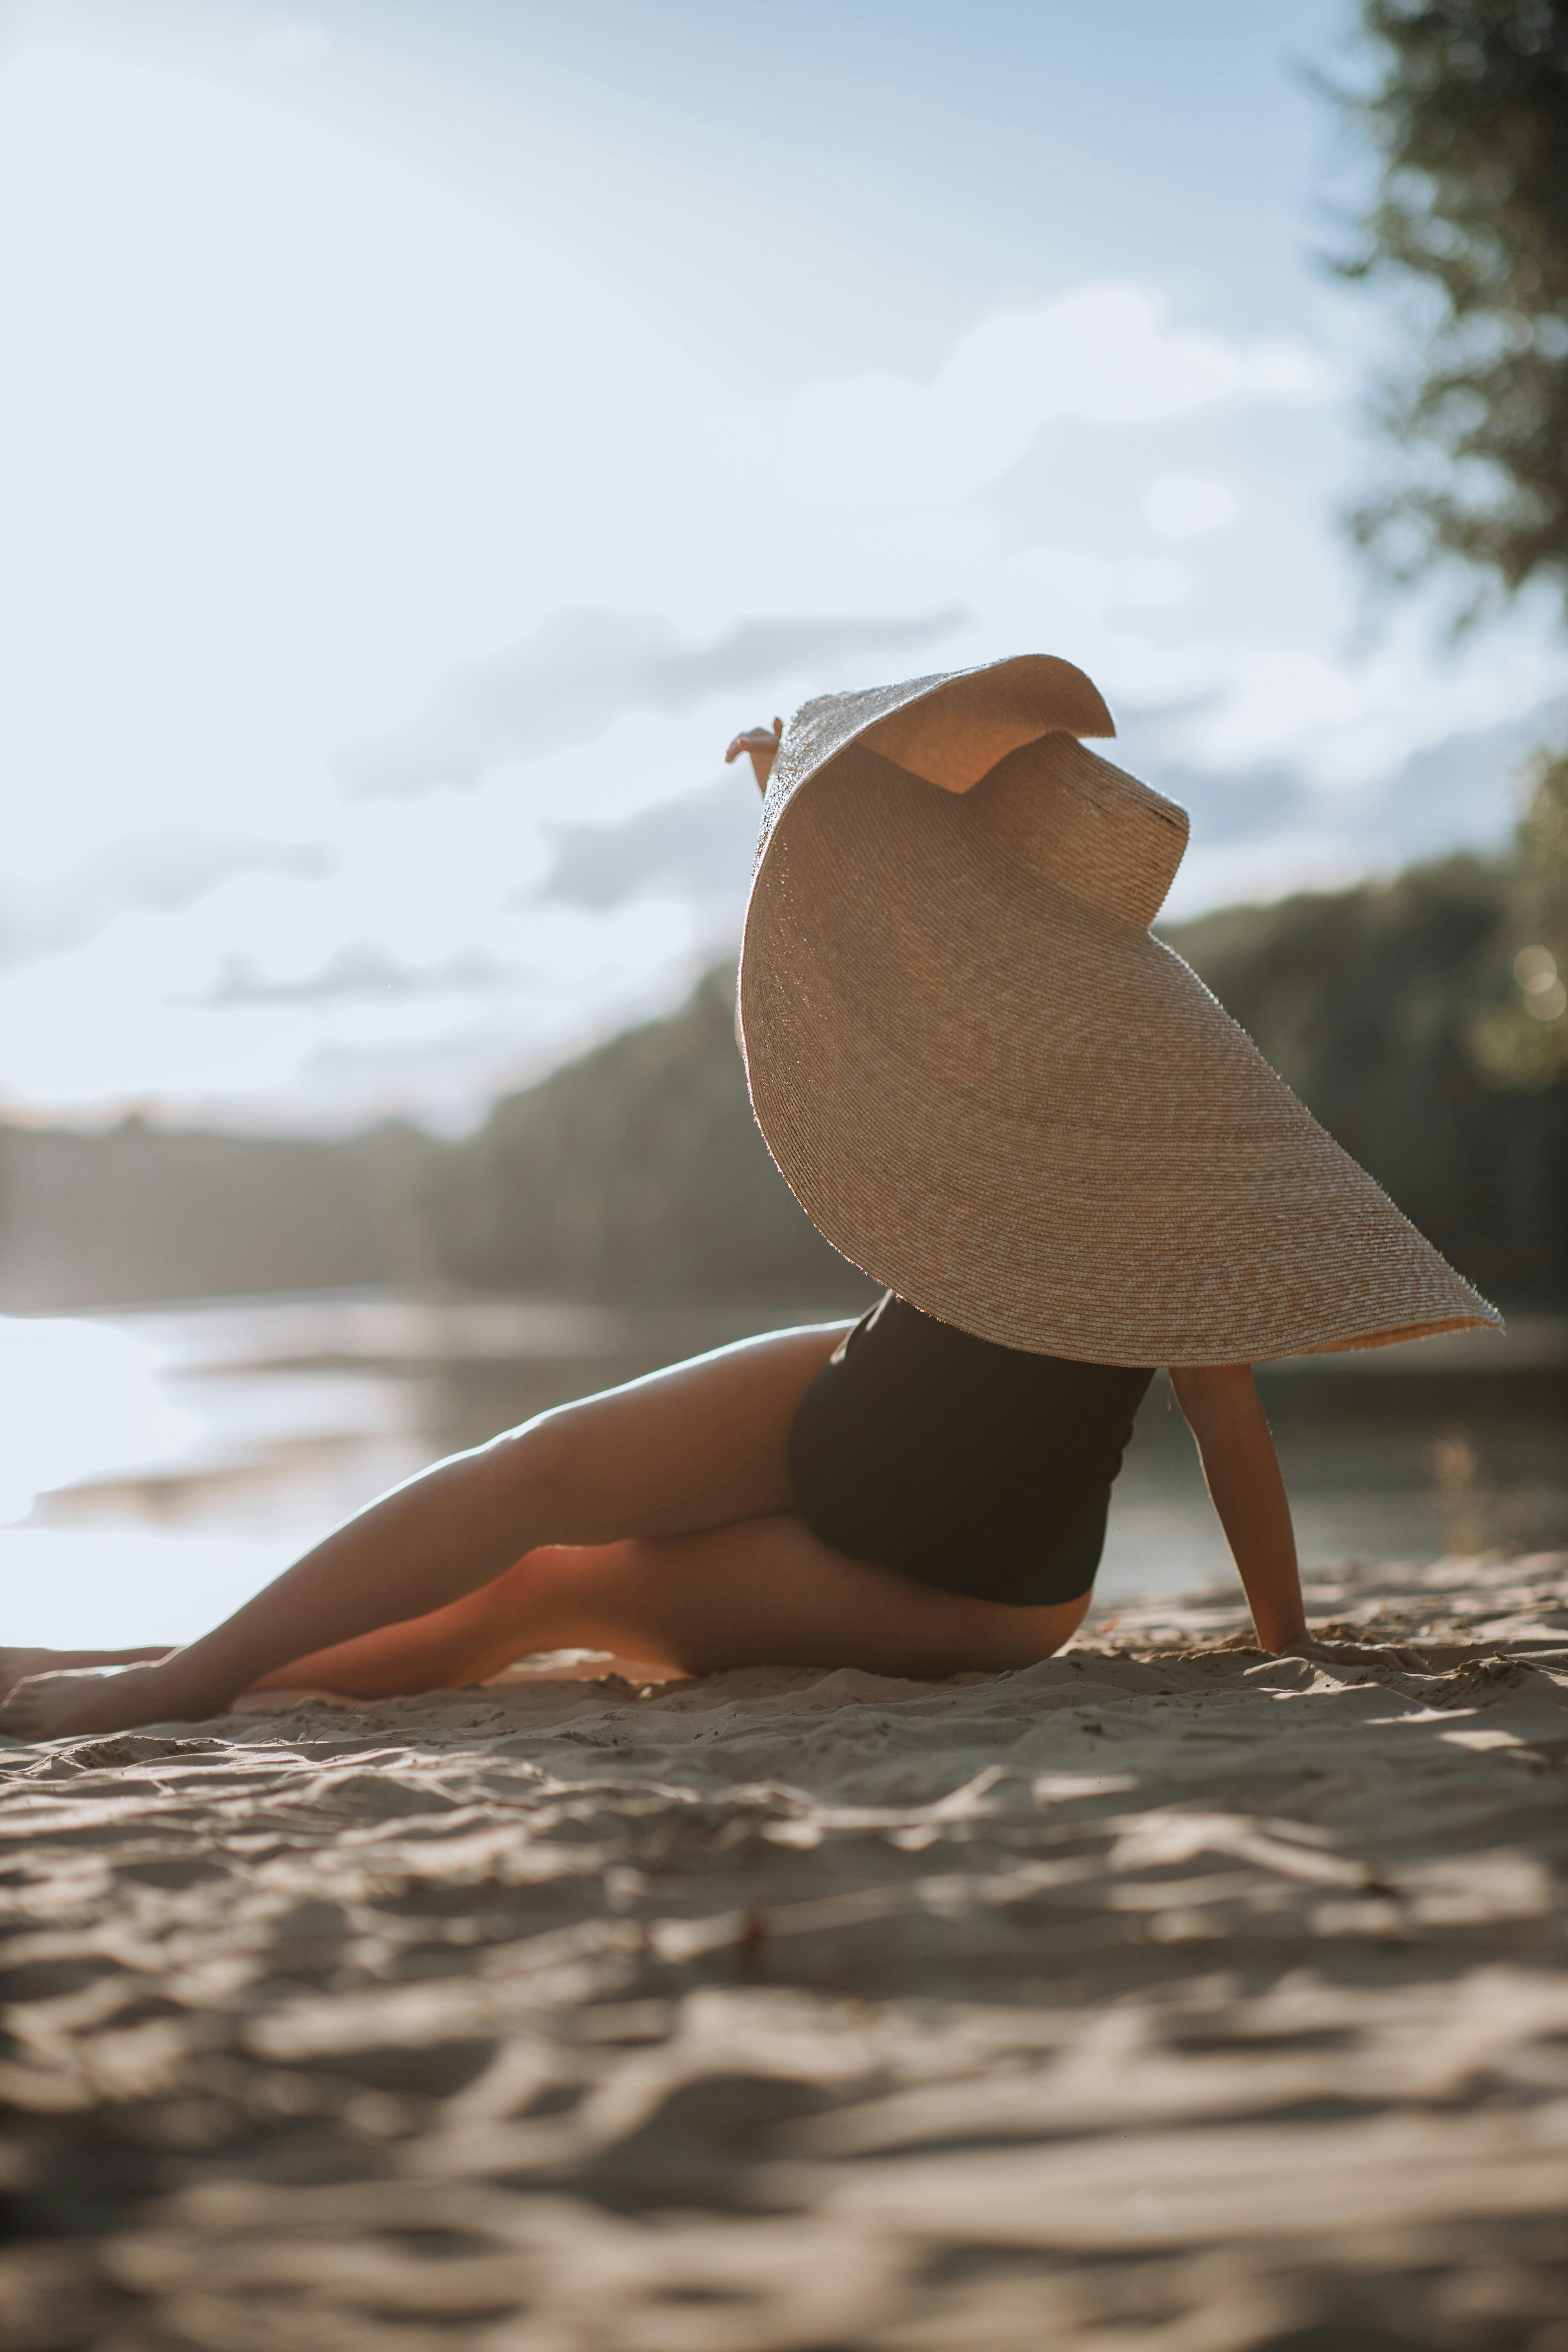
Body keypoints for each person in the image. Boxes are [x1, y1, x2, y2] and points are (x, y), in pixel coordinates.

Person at [0, 655, 1494, 1738]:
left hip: (979, 1581)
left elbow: (1223, 1412)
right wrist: (800, 781)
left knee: (558, 1591)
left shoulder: (1172, 1103)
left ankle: (186, 1681)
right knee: (533, 1469)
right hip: (864, 1403)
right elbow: (867, 924)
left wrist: (1290, 1648)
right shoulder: (994, 1021)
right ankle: (188, 1664)